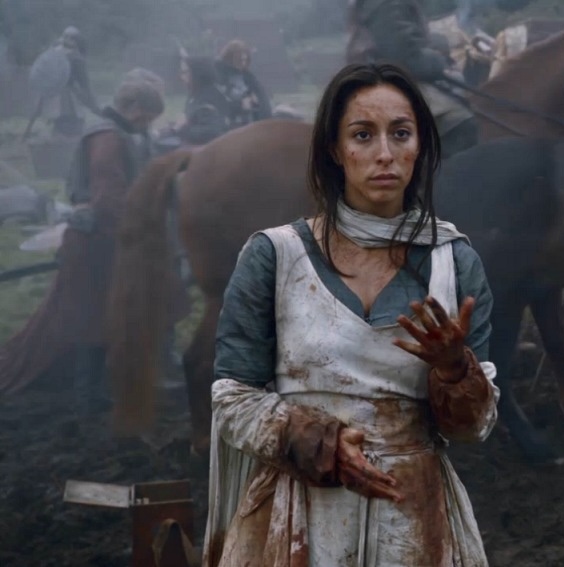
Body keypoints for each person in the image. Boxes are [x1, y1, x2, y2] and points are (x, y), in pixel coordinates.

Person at [203, 62, 499, 566]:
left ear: (420, 146)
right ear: (335, 150)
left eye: (400, 134)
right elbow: (232, 400)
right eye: (363, 135)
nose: (385, 153)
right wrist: (319, 445)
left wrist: (456, 371)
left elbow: (475, 427)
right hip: (298, 521)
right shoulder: (274, 256)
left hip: (414, 521)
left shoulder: (455, 263)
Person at [0, 76, 165, 404]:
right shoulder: (107, 138)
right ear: (132, 108)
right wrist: (135, 236)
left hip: (108, 238)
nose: (147, 124)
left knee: (102, 313)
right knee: (91, 315)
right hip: (97, 240)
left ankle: (96, 385)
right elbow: (109, 200)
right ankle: (87, 393)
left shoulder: (121, 134)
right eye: (145, 116)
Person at [346, 0, 477, 157]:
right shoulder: (390, 4)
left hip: (386, 79)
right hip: (391, 83)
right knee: (458, 123)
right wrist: (438, 61)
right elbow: (405, 57)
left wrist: (435, 44)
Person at [215, 39, 272, 127]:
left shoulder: (248, 77)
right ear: (230, 58)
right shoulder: (219, 76)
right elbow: (217, 103)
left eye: (245, 60)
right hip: (228, 126)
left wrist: (256, 101)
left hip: (249, 123)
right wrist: (239, 105)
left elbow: (262, 98)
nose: (243, 63)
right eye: (240, 60)